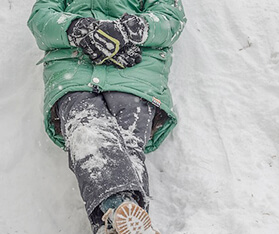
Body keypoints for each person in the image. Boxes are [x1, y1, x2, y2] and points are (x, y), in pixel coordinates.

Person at [27, 0, 186, 233]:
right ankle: (122, 211)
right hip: (75, 73)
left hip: (134, 75)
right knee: (86, 130)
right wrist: (77, 29)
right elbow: (41, 18)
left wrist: (130, 30)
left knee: (125, 143)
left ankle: (110, 222)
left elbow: (170, 18)